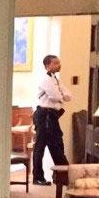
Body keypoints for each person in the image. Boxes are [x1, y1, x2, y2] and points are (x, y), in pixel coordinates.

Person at [31, 54, 72, 186]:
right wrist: (61, 95)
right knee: (40, 146)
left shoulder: (56, 80)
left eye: (58, 63)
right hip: (45, 115)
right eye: (55, 63)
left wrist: (60, 94)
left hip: (52, 116)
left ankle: (62, 175)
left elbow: (68, 95)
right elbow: (55, 96)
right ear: (47, 65)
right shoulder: (45, 80)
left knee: (57, 144)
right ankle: (38, 177)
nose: (58, 65)